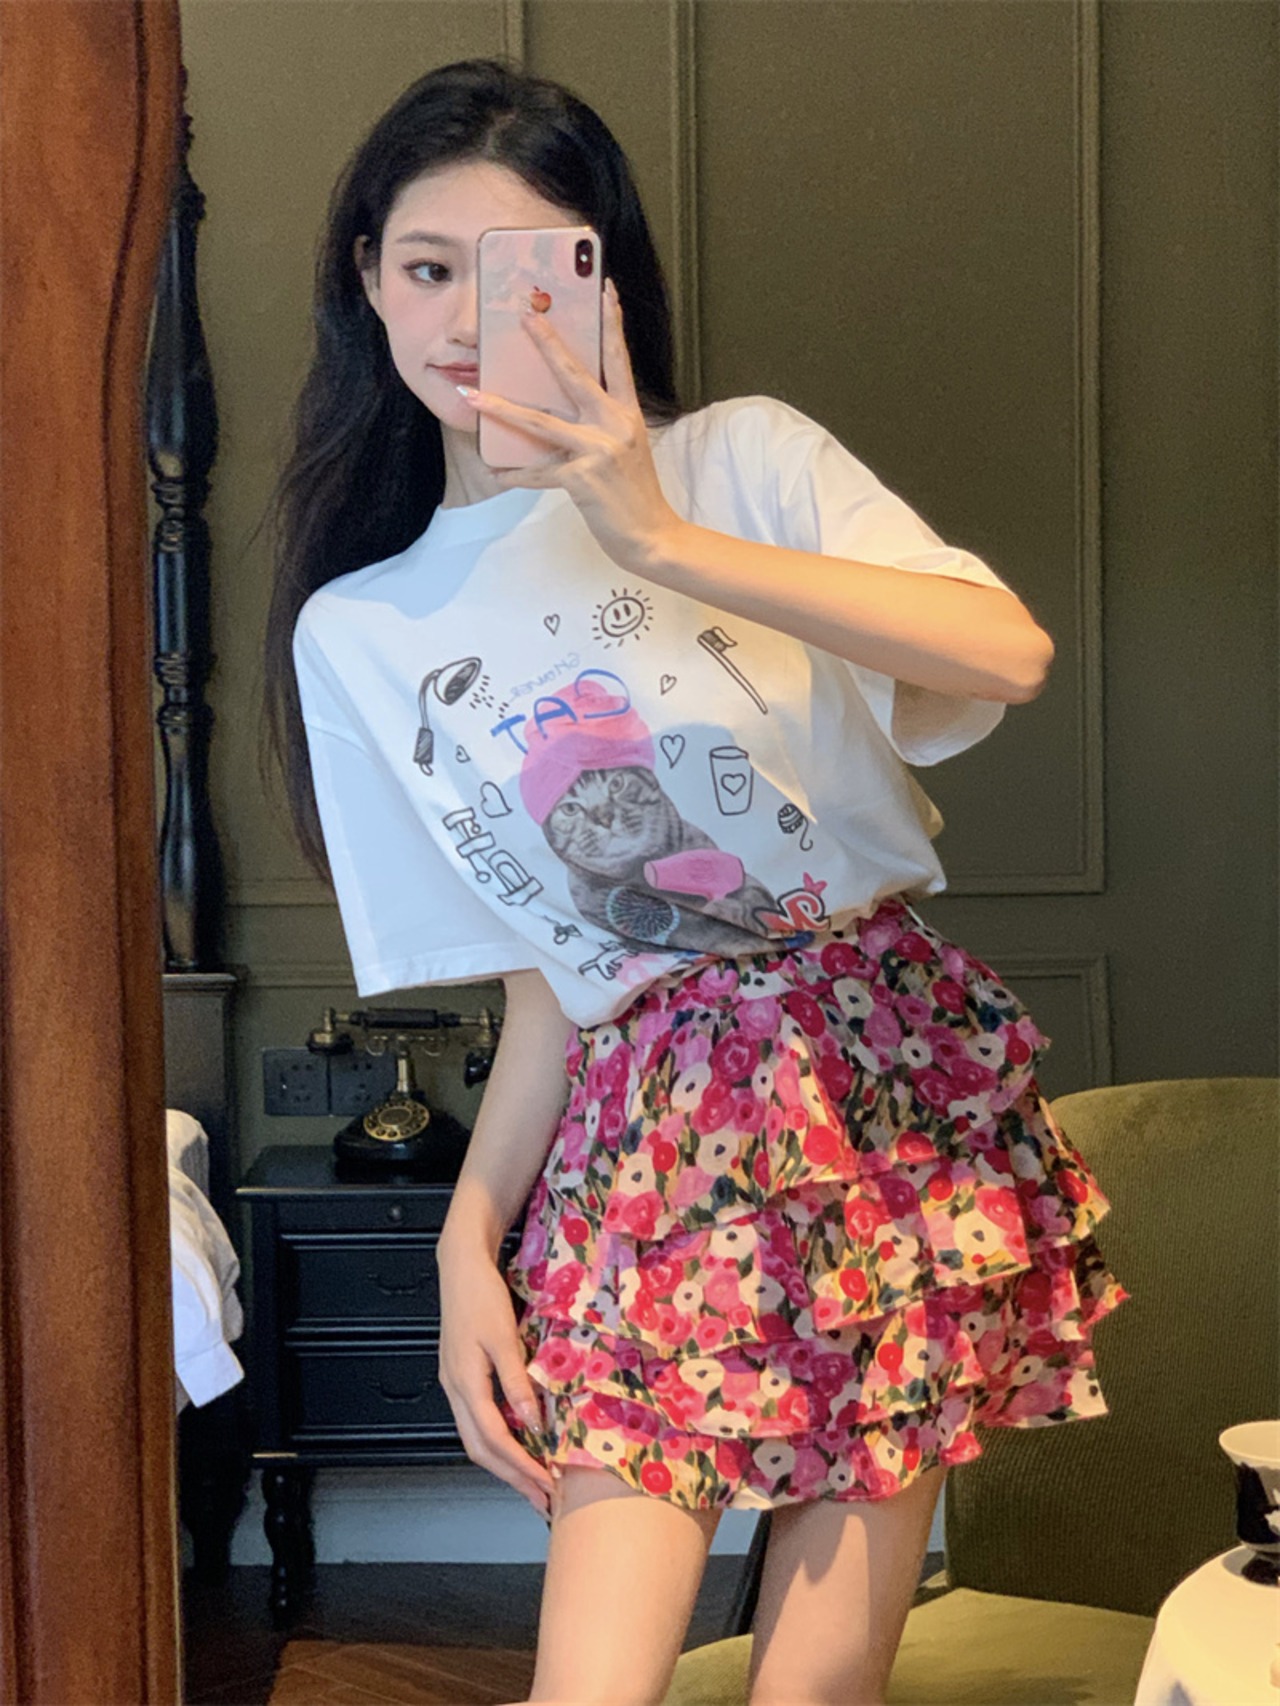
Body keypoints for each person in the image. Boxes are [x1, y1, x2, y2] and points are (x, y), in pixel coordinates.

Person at [263, 56, 1128, 1706]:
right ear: (364, 278)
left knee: (816, 1692)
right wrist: (466, 1246)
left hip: (874, 1082)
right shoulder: (361, 631)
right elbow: (555, 979)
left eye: (522, 269)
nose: (469, 319)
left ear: (598, 276)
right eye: (427, 266)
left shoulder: (741, 462)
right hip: (647, 1140)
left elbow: (1003, 651)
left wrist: (654, 533)